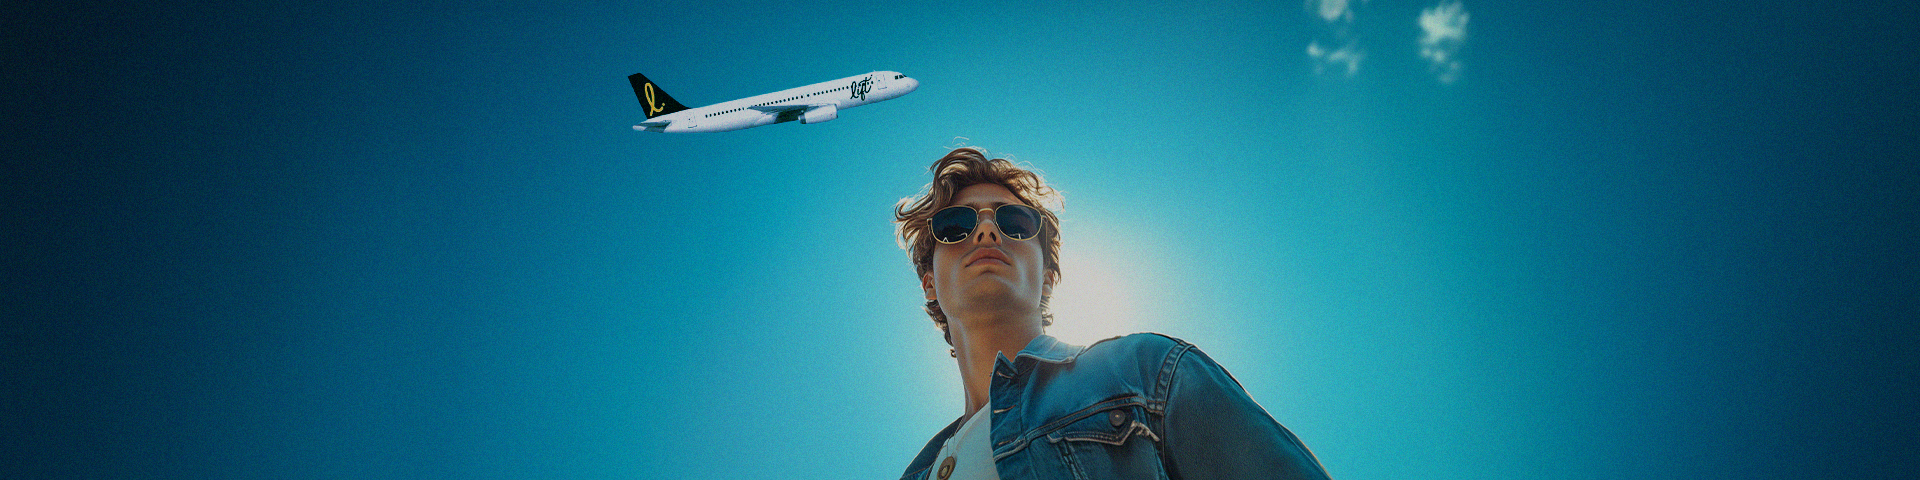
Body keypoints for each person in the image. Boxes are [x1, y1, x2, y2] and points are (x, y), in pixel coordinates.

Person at [892, 147, 1333, 480]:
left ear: (1047, 279)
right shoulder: (917, 471)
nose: (987, 229)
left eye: (1015, 223)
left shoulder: (1147, 374)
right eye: (956, 225)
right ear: (929, 282)